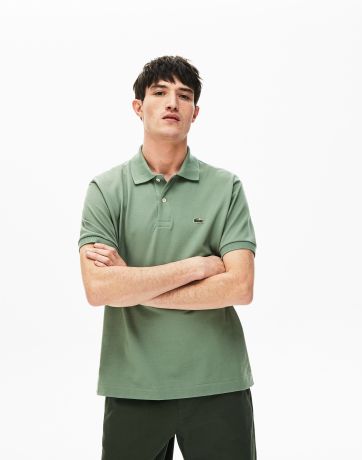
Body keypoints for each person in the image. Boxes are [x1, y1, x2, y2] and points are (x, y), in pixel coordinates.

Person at [78, 55, 257, 460]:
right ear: (138, 107)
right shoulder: (105, 190)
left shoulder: (226, 187)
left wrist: (133, 285)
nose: (173, 102)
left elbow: (240, 287)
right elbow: (99, 289)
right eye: (159, 92)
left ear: (196, 112)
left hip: (218, 384)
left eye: (184, 95)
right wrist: (197, 266)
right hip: (133, 386)